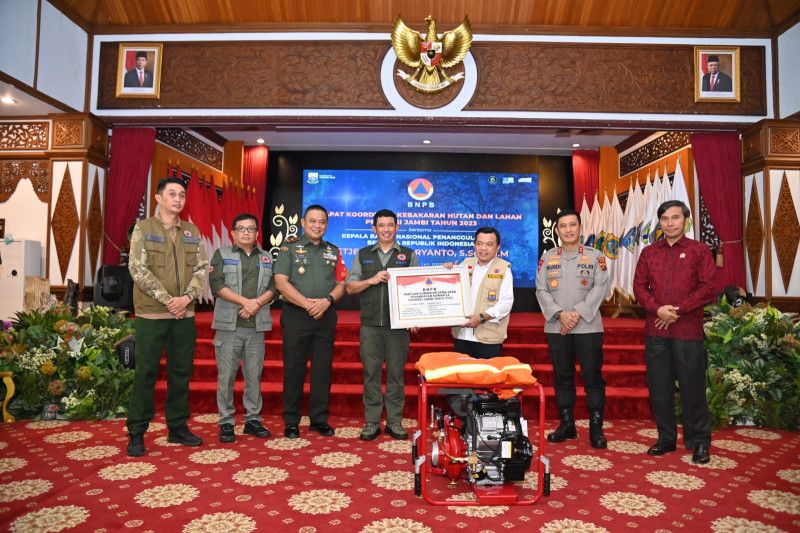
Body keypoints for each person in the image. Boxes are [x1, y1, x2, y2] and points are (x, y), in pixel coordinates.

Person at [126, 177, 208, 457]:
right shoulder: (144, 228)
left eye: (182, 195)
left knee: (181, 372)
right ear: (159, 198)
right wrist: (168, 300)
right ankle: (137, 431)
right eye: (171, 194)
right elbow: (137, 268)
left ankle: (177, 427)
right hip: (152, 313)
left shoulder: (192, 232)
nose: (178, 199)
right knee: (146, 372)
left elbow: (201, 269)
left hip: (184, 313)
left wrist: (186, 299)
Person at [633, 200, 716, 464]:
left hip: (687, 332)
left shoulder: (699, 250)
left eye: (675, 218)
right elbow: (639, 288)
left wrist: (677, 311)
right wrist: (658, 310)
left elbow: (708, 288)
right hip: (656, 331)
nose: (670, 223)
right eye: (665, 219)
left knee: (693, 389)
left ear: (685, 220)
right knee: (659, 389)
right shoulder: (649, 252)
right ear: (660, 222)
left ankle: (699, 442)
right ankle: (666, 439)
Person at [535, 209, 610, 448]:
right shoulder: (547, 257)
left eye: (572, 225)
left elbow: (600, 288)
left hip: (588, 326)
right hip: (557, 326)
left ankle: (596, 428)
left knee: (592, 376)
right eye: (563, 226)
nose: (568, 230)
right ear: (557, 230)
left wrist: (576, 313)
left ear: (580, 228)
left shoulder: (596, 256)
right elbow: (541, 289)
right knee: (562, 375)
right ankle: (567, 424)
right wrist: (561, 315)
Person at [273, 204, 347, 439]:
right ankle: (291, 420)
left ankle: (319, 419)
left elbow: (342, 283)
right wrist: (308, 305)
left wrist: (327, 301)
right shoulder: (288, 248)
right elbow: (281, 282)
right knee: (294, 369)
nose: (317, 226)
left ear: (327, 224)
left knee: (322, 371)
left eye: (322, 222)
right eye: (312, 221)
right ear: (303, 223)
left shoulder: (334, 251)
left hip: (325, 316)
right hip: (296, 317)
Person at [346, 209, 418, 441]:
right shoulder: (363, 254)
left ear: (397, 227)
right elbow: (350, 287)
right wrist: (372, 279)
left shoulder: (408, 255)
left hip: (398, 328)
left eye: (390, 225)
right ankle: (372, 422)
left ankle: (395, 421)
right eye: (381, 225)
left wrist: (415, 317)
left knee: (396, 375)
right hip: (370, 326)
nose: (386, 229)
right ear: (374, 228)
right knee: (371, 374)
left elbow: (417, 290)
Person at [209, 213, 277, 443]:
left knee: (254, 375)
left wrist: (255, 304)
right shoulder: (222, 254)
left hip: (256, 326)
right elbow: (216, 284)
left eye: (251, 229)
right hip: (229, 326)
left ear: (257, 233)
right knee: (226, 376)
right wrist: (245, 302)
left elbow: (274, 286)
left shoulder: (267, 257)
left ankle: (253, 420)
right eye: (241, 228)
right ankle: (226, 422)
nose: (246, 232)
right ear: (233, 233)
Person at [448, 227, 514, 358]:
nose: (483, 248)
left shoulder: (504, 269)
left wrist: (481, 317)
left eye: (489, 244)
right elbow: (451, 293)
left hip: (488, 339)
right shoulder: (464, 265)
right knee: (461, 371)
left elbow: (506, 303)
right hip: (462, 335)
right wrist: (447, 273)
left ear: (497, 247)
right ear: (474, 245)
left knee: (486, 372)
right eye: (479, 243)